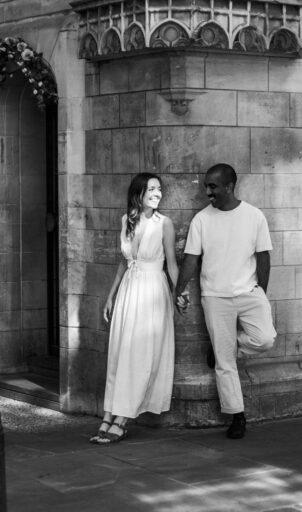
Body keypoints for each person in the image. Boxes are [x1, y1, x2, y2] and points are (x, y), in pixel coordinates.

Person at [174, 163, 276, 439]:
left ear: (229, 187)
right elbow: (191, 259)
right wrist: (178, 290)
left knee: (265, 339)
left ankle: (224, 348)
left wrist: (261, 292)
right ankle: (237, 415)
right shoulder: (202, 220)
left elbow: (263, 256)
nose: (208, 192)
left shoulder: (254, 216)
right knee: (225, 363)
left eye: (213, 187)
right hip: (215, 297)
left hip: (249, 292)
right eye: (206, 186)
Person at [90, 172, 178, 445]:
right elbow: (124, 262)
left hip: (152, 291)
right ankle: (108, 416)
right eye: (151, 189)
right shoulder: (126, 220)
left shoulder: (164, 224)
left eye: (159, 189)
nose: (157, 193)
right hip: (129, 291)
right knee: (120, 354)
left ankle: (122, 419)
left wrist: (180, 292)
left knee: (142, 355)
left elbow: (172, 264)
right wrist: (111, 296)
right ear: (138, 193)